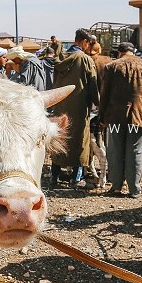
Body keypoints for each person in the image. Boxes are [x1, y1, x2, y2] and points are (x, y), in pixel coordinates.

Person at [99, 42, 142, 197]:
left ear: (120, 52)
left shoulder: (111, 67)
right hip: (138, 117)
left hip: (115, 117)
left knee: (115, 152)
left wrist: (101, 117)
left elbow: (104, 95)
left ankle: (116, 187)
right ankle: (134, 189)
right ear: (133, 51)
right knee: (135, 152)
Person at [49, 29, 100, 189]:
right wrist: (97, 103)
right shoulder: (84, 59)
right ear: (84, 42)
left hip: (60, 106)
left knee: (60, 139)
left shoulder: (60, 58)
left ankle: (54, 177)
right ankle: (76, 178)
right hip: (79, 108)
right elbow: (93, 86)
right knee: (79, 141)